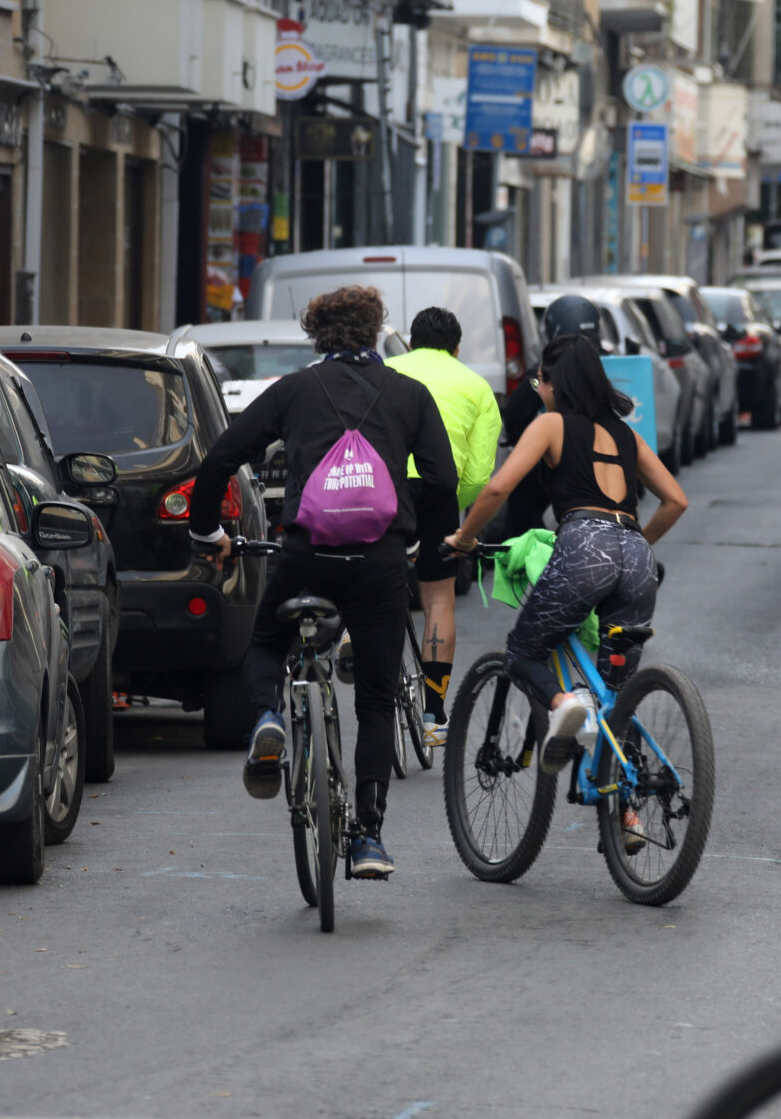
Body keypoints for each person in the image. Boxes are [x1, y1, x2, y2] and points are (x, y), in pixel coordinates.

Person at [188, 285, 454, 881]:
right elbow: (443, 477)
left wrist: (208, 533)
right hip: (381, 563)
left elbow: (221, 458)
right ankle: (368, 837)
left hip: (306, 554)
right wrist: (411, 535)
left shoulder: (295, 390)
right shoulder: (410, 394)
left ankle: (266, 719)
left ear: (318, 334)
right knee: (379, 697)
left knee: (264, 644)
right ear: (376, 329)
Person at [448, 335, 688, 826]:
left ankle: (563, 704)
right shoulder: (626, 433)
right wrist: (637, 544)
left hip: (584, 548)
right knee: (616, 691)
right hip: (636, 555)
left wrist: (464, 539)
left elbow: (498, 486)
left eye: (541, 381)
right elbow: (677, 500)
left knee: (523, 652)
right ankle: (630, 816)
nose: (540, 389)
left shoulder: (550, 424)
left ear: (557, 384)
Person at [386, 306, 502, 735]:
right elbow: (476, 474)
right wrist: (456, 506)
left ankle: (349, 641)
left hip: (383, 490)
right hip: (438, 495)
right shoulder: (476, 386)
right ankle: (434, 714)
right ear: (457, 348)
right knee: (438, 600)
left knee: (367, 577)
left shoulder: (385, 370)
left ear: (411, 343)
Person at [496, 294, 603, 540]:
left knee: (522, 504)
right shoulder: (614, 365)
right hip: (611, 464)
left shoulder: (544, 373)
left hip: (557, 465)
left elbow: (518, 413)